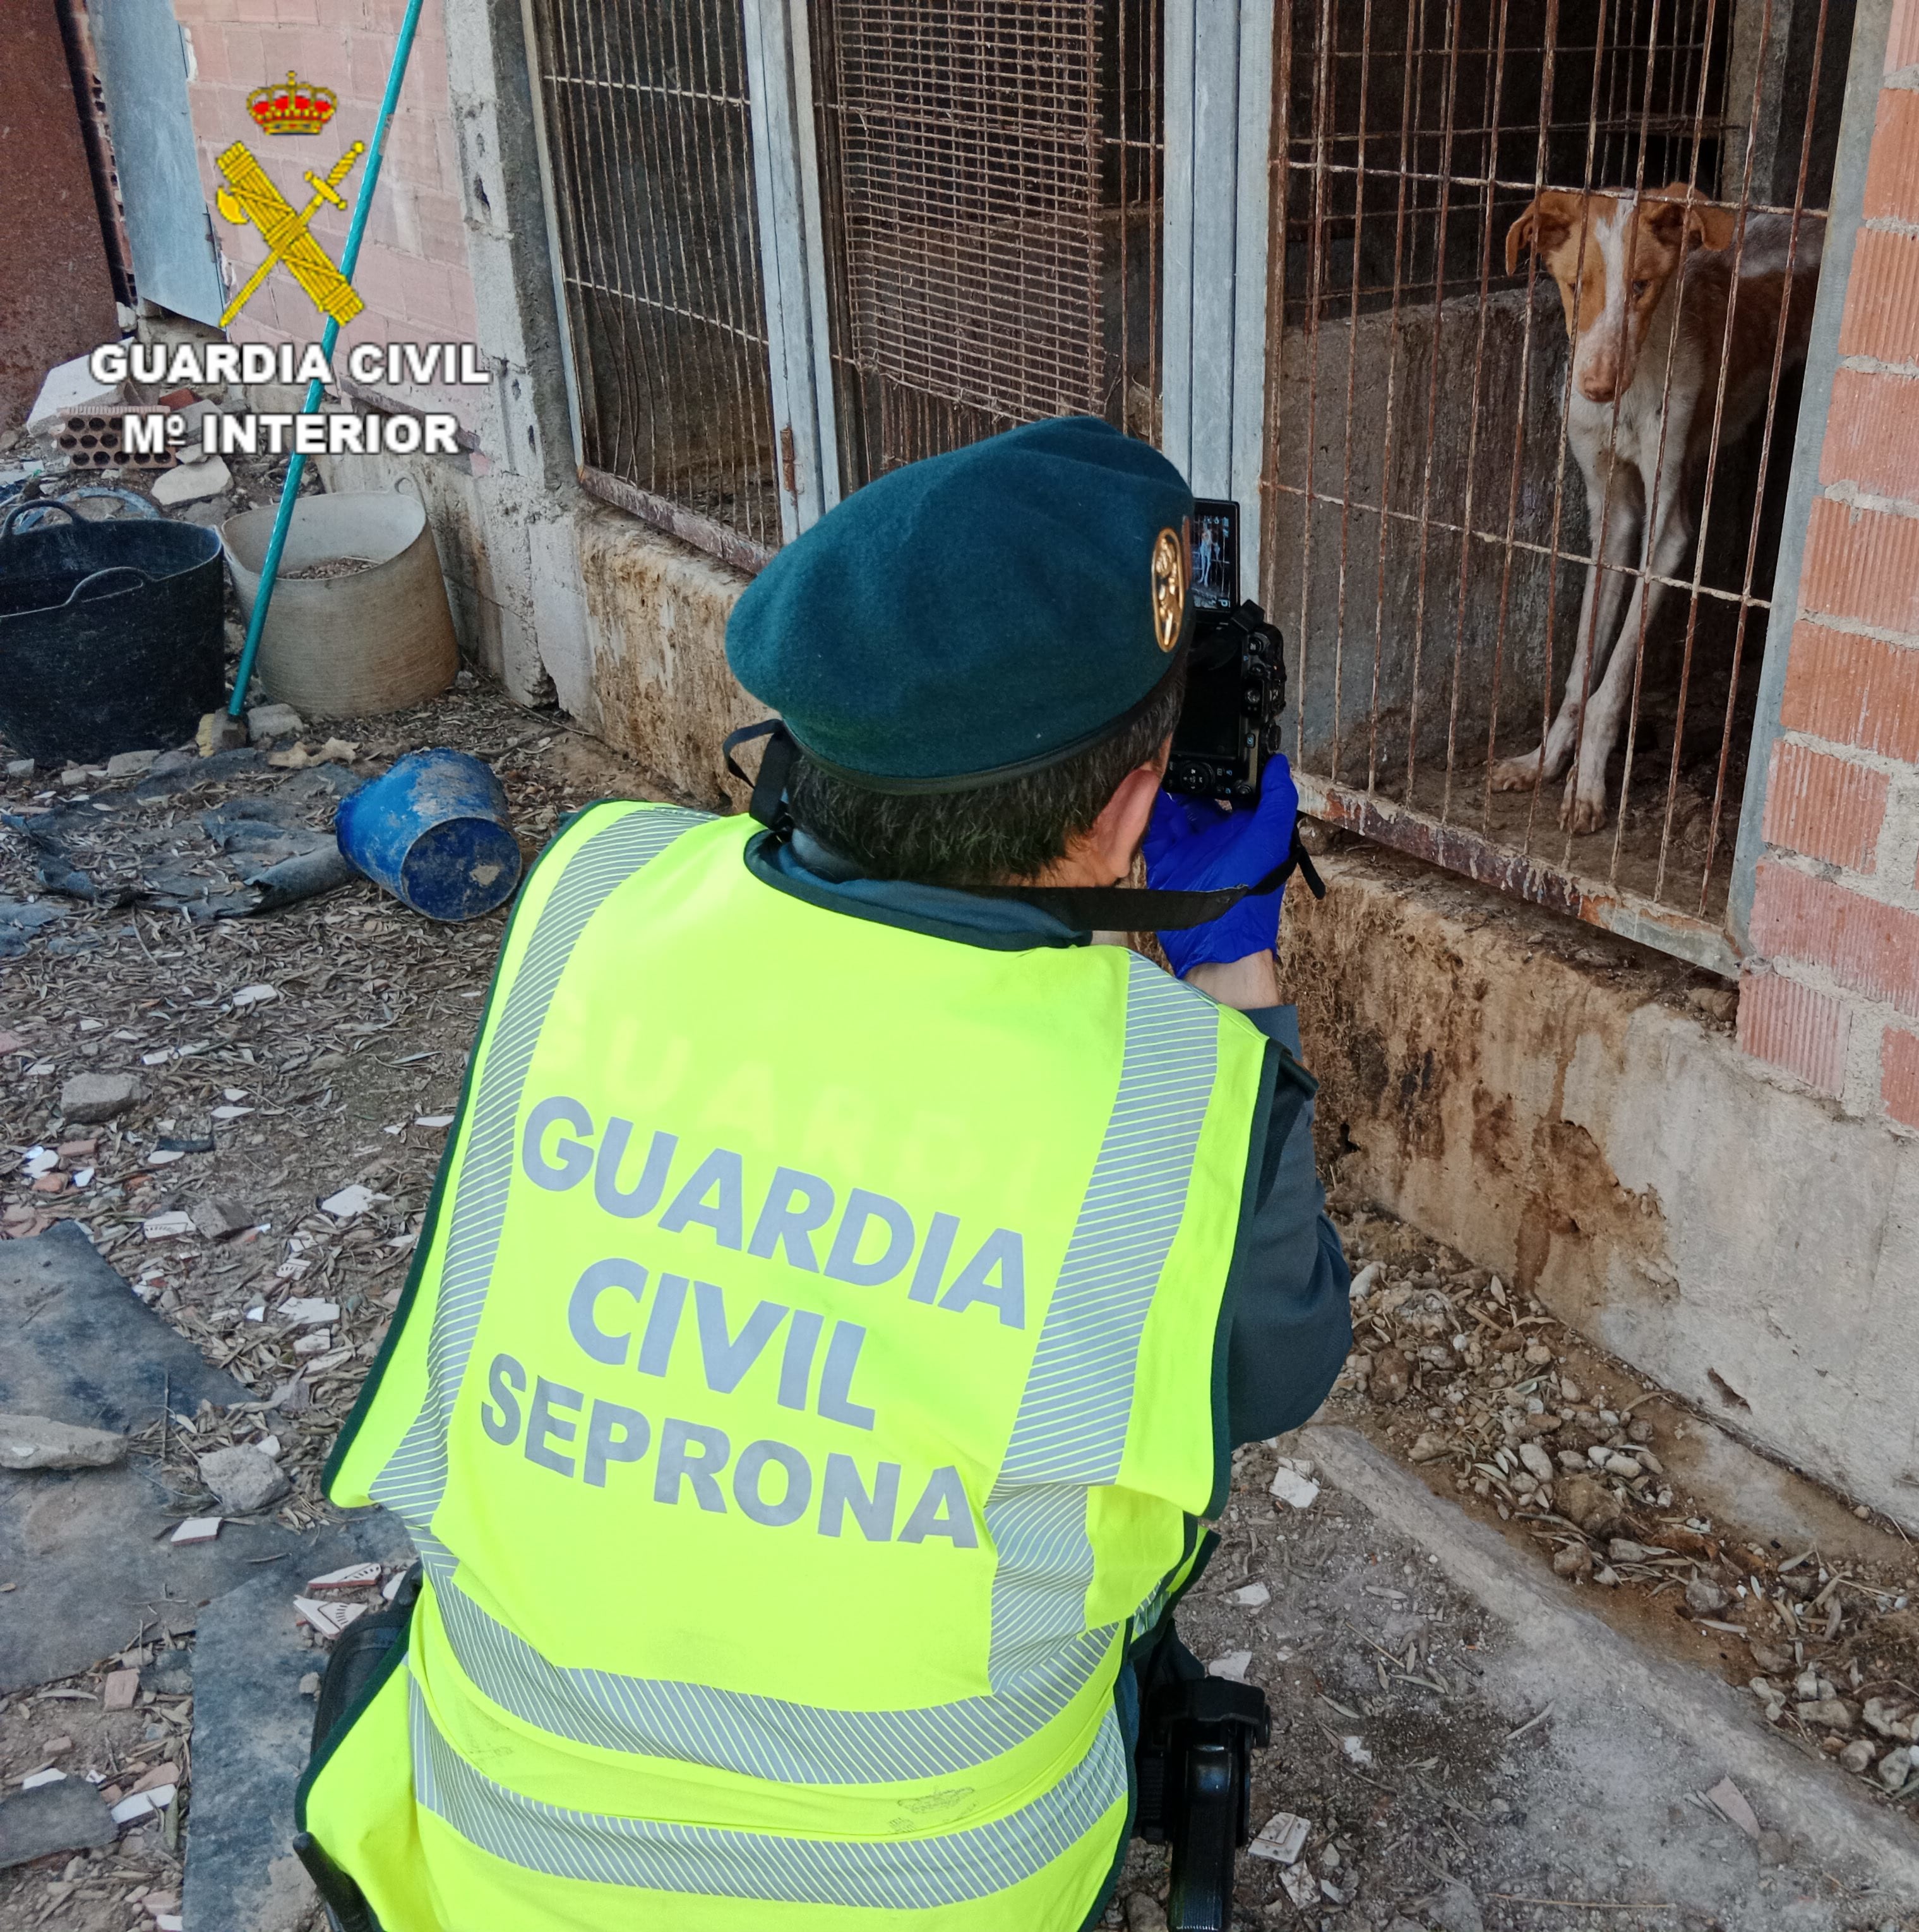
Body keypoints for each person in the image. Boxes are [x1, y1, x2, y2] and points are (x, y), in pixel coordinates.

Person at [294, 416, 1353, 1931]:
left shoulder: (594, 896)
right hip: (935, 1889)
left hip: (490, 1851)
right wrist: (1231, 953)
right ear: (1134, 814)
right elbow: (1280, 1368)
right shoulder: (1176, 1093)